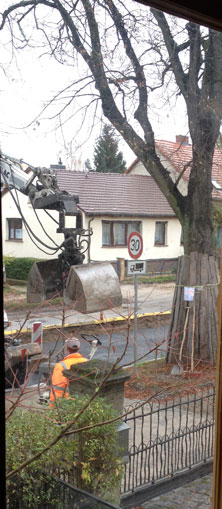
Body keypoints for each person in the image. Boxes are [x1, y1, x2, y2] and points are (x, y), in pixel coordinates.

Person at [49, 337, 87, 408]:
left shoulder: (60, 366)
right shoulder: (87, 362)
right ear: (78, 348)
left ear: (67, 349)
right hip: (84, 403)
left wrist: (53, 409)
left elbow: (57, 390)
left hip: (68, 404)